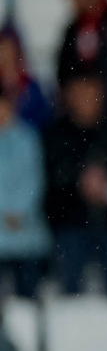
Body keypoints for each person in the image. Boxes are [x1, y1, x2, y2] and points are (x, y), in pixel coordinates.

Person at [44, 75, 107, 297]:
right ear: (68, 96)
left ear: (102, 94)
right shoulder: (57, 133)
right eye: (80, 94)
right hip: (71, 222)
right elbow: (52, 189)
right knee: (69, 263)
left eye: (91, 94)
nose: (86, 100)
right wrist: (80, 185)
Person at [0, 87, 50, 296]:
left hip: (26, 231)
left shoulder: (29, 138)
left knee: (27, 300)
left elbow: (35, 180)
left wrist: (18, 210)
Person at [0, 26, 53, 130]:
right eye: (2, 50)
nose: (5, 56)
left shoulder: (30, 86)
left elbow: (42, 118)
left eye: (9, 50)